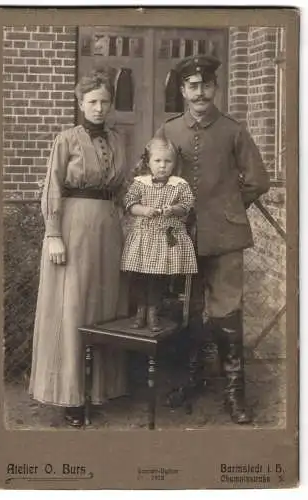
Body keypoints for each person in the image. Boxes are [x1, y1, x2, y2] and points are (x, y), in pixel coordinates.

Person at [156, 54, 270, 424]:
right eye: (193, 85)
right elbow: (152, 175)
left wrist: (228, 207)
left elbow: (257, 180)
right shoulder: (169, 132)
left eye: (206, 85)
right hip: (181, 237)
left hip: (224, 236)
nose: (200, 92)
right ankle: (192, 379)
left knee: (227, 313)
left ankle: (235, 394)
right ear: (184, 91)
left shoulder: (234, 130)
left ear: (215, 88)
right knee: (186, 311)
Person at [29, 70, 129, 427]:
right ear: (80, 103)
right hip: (72, 227)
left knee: (103, 307)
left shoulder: (119, 140)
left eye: (104, 101)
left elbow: (123, 189)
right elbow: (52, 186)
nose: (99, 107)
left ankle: (97, 390)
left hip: (108, 229)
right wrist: (53, 233)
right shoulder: (66, 139)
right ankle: (70, 395)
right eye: (92, 101)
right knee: (71, 307)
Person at [121, 137, 198, 332]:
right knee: (139, 276)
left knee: (158, 277)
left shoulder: (179, 185)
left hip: (166, 238)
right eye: (157, 161)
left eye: (167, 161)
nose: (162, 166)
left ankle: (154, 313)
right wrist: (144, 210)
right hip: (144, 237)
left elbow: (187, 205)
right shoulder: (140, 183)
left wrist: (173, 209)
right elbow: (129, 204)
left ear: (174, 164)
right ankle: (140, 312)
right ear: (148, 162)